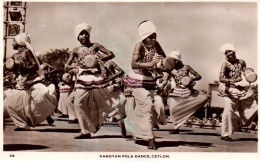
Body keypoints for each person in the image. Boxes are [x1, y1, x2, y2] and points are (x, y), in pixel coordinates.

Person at [65, 23, 122, 139]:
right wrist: (78, 65)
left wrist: (98, 59)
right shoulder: (75, 50)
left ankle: (120, 116)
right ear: (78, 37)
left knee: (104, 101)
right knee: (78, 103)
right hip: (83, 78)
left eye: (86, 33)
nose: (84, 36)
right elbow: (66, 66)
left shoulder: (95, 46)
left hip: (97, 78)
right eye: (81, 34)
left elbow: (111, 54)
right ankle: (85, 131)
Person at [122, 20, 166, 150]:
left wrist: (163, 65)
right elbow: (133, 64)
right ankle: (150, 138)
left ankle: (129, 123)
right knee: (148, 105)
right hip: (137, 80)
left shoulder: (156, 45)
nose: (153, 39)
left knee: (147, 108)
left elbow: (164, 58)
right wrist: (152, 64)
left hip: (149, 80)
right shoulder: (139, 46)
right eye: (150, 37)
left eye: (154, 36)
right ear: (144, 37)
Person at [4, 33, 57, 131]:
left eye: (14, 41)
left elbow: (35, 66)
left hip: (30, 81)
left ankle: (24, 124)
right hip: (20, 83)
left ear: (20, 42)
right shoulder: (14, 55)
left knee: (30, 101)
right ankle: (22, 123)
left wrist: (25, 69)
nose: (12, 44)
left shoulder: (27, 52)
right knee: (14, 103)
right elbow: (9, 67)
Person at [218, 43, 258, 141]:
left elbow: (246, 74)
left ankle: (235, 126)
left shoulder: (242, 62)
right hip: (228, 90)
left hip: (239, 90)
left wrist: (250, 76)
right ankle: (225, 134)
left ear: (234, 51)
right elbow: (221, 78)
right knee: (228, 110)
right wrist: (231, 81)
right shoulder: (225, 64)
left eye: (230, 51)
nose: (228, 54)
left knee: (253, 107)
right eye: (226, 53)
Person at [163, 50, 208, 134]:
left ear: (177, 60)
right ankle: (176, 126)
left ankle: (179, 124)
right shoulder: (171, 69)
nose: (172, 62)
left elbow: (198, 76)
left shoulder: (186, 67)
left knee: (204, 98)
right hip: (177, 91)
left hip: (187, 91)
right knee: (172, 110)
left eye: (173, 60)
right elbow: (163, 70)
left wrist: (190, 79)